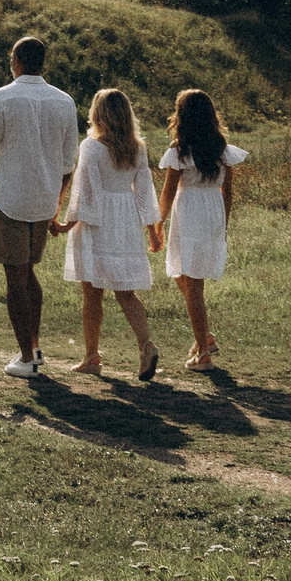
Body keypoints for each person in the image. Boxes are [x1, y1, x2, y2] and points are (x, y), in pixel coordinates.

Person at [0, 35, 79, 378]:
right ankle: (33, 344)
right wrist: (56, 204)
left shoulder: (2, 97)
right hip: (44, 200)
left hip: (11, 198)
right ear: (42, 63)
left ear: (15, 62)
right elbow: (68, 162)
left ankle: (27, 357)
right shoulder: (64, 101)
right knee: (28, 271)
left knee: (15, 278)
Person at [59, 87, 163, 379]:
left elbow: (85, 192)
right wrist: (152, 229)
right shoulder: (137, 147)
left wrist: (67, 223)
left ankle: (92, 356)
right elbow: (144, 191)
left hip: (99, 223)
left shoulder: (91, 147)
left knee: (92, 293)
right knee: (126, 291)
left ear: (97, 114)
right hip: (126, 220)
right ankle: (146, 345)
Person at [158, 87, 247, 371]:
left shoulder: (181, 149)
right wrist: (223, 222)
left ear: (181, 115)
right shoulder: (220, 147)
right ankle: (204, 334)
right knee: (185, 276)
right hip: (212, 210)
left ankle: (204, 353)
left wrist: (157, 223)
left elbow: (168, 191)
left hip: (190, 211)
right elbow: (228, 191)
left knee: (192, 282)